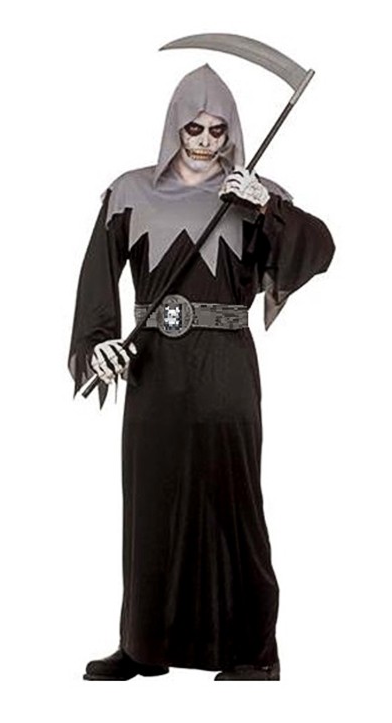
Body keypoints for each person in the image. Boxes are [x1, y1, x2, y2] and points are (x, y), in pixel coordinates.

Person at [68, 64, 334, 681]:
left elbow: (318, 248)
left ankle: (253, 652)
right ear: (175, 127)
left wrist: (265, 205)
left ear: (231, 131)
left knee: (231, 500)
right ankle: (144, 645)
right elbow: (96, 282)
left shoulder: (253, 193)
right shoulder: (129, 192)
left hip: (225, 372)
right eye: (194, 128)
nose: (206, 141)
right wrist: (99, 344)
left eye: (218, 130)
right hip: (154, 370)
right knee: (151, 502)